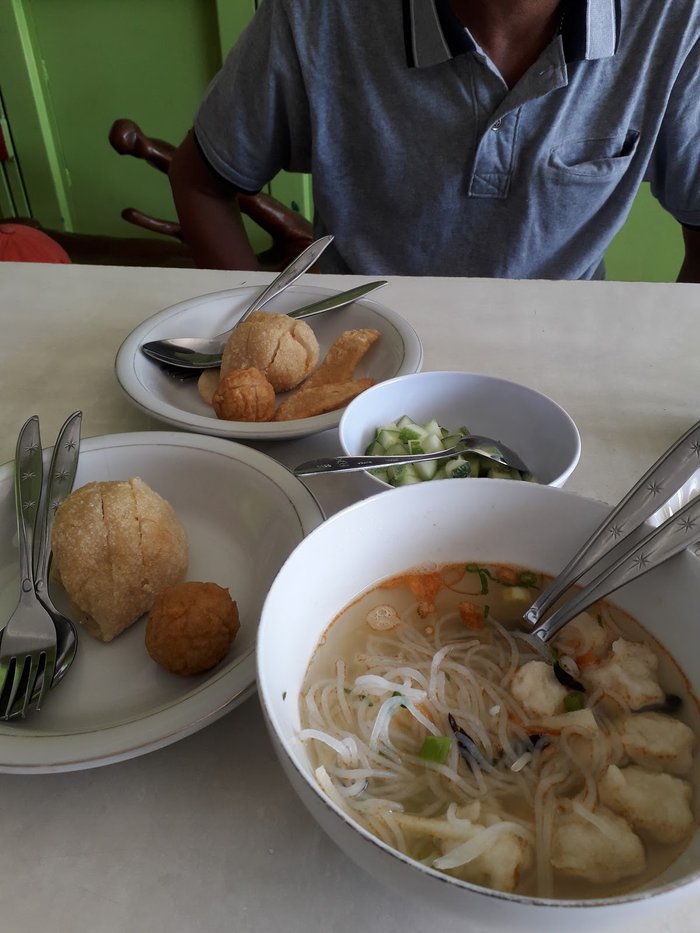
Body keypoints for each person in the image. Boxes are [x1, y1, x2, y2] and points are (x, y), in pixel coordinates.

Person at [168, 0, 700, 282]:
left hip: (564, 360)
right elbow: (201, 182)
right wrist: (259, 334)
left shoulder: (676, 20)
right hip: (361, 355)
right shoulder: (314, 14)